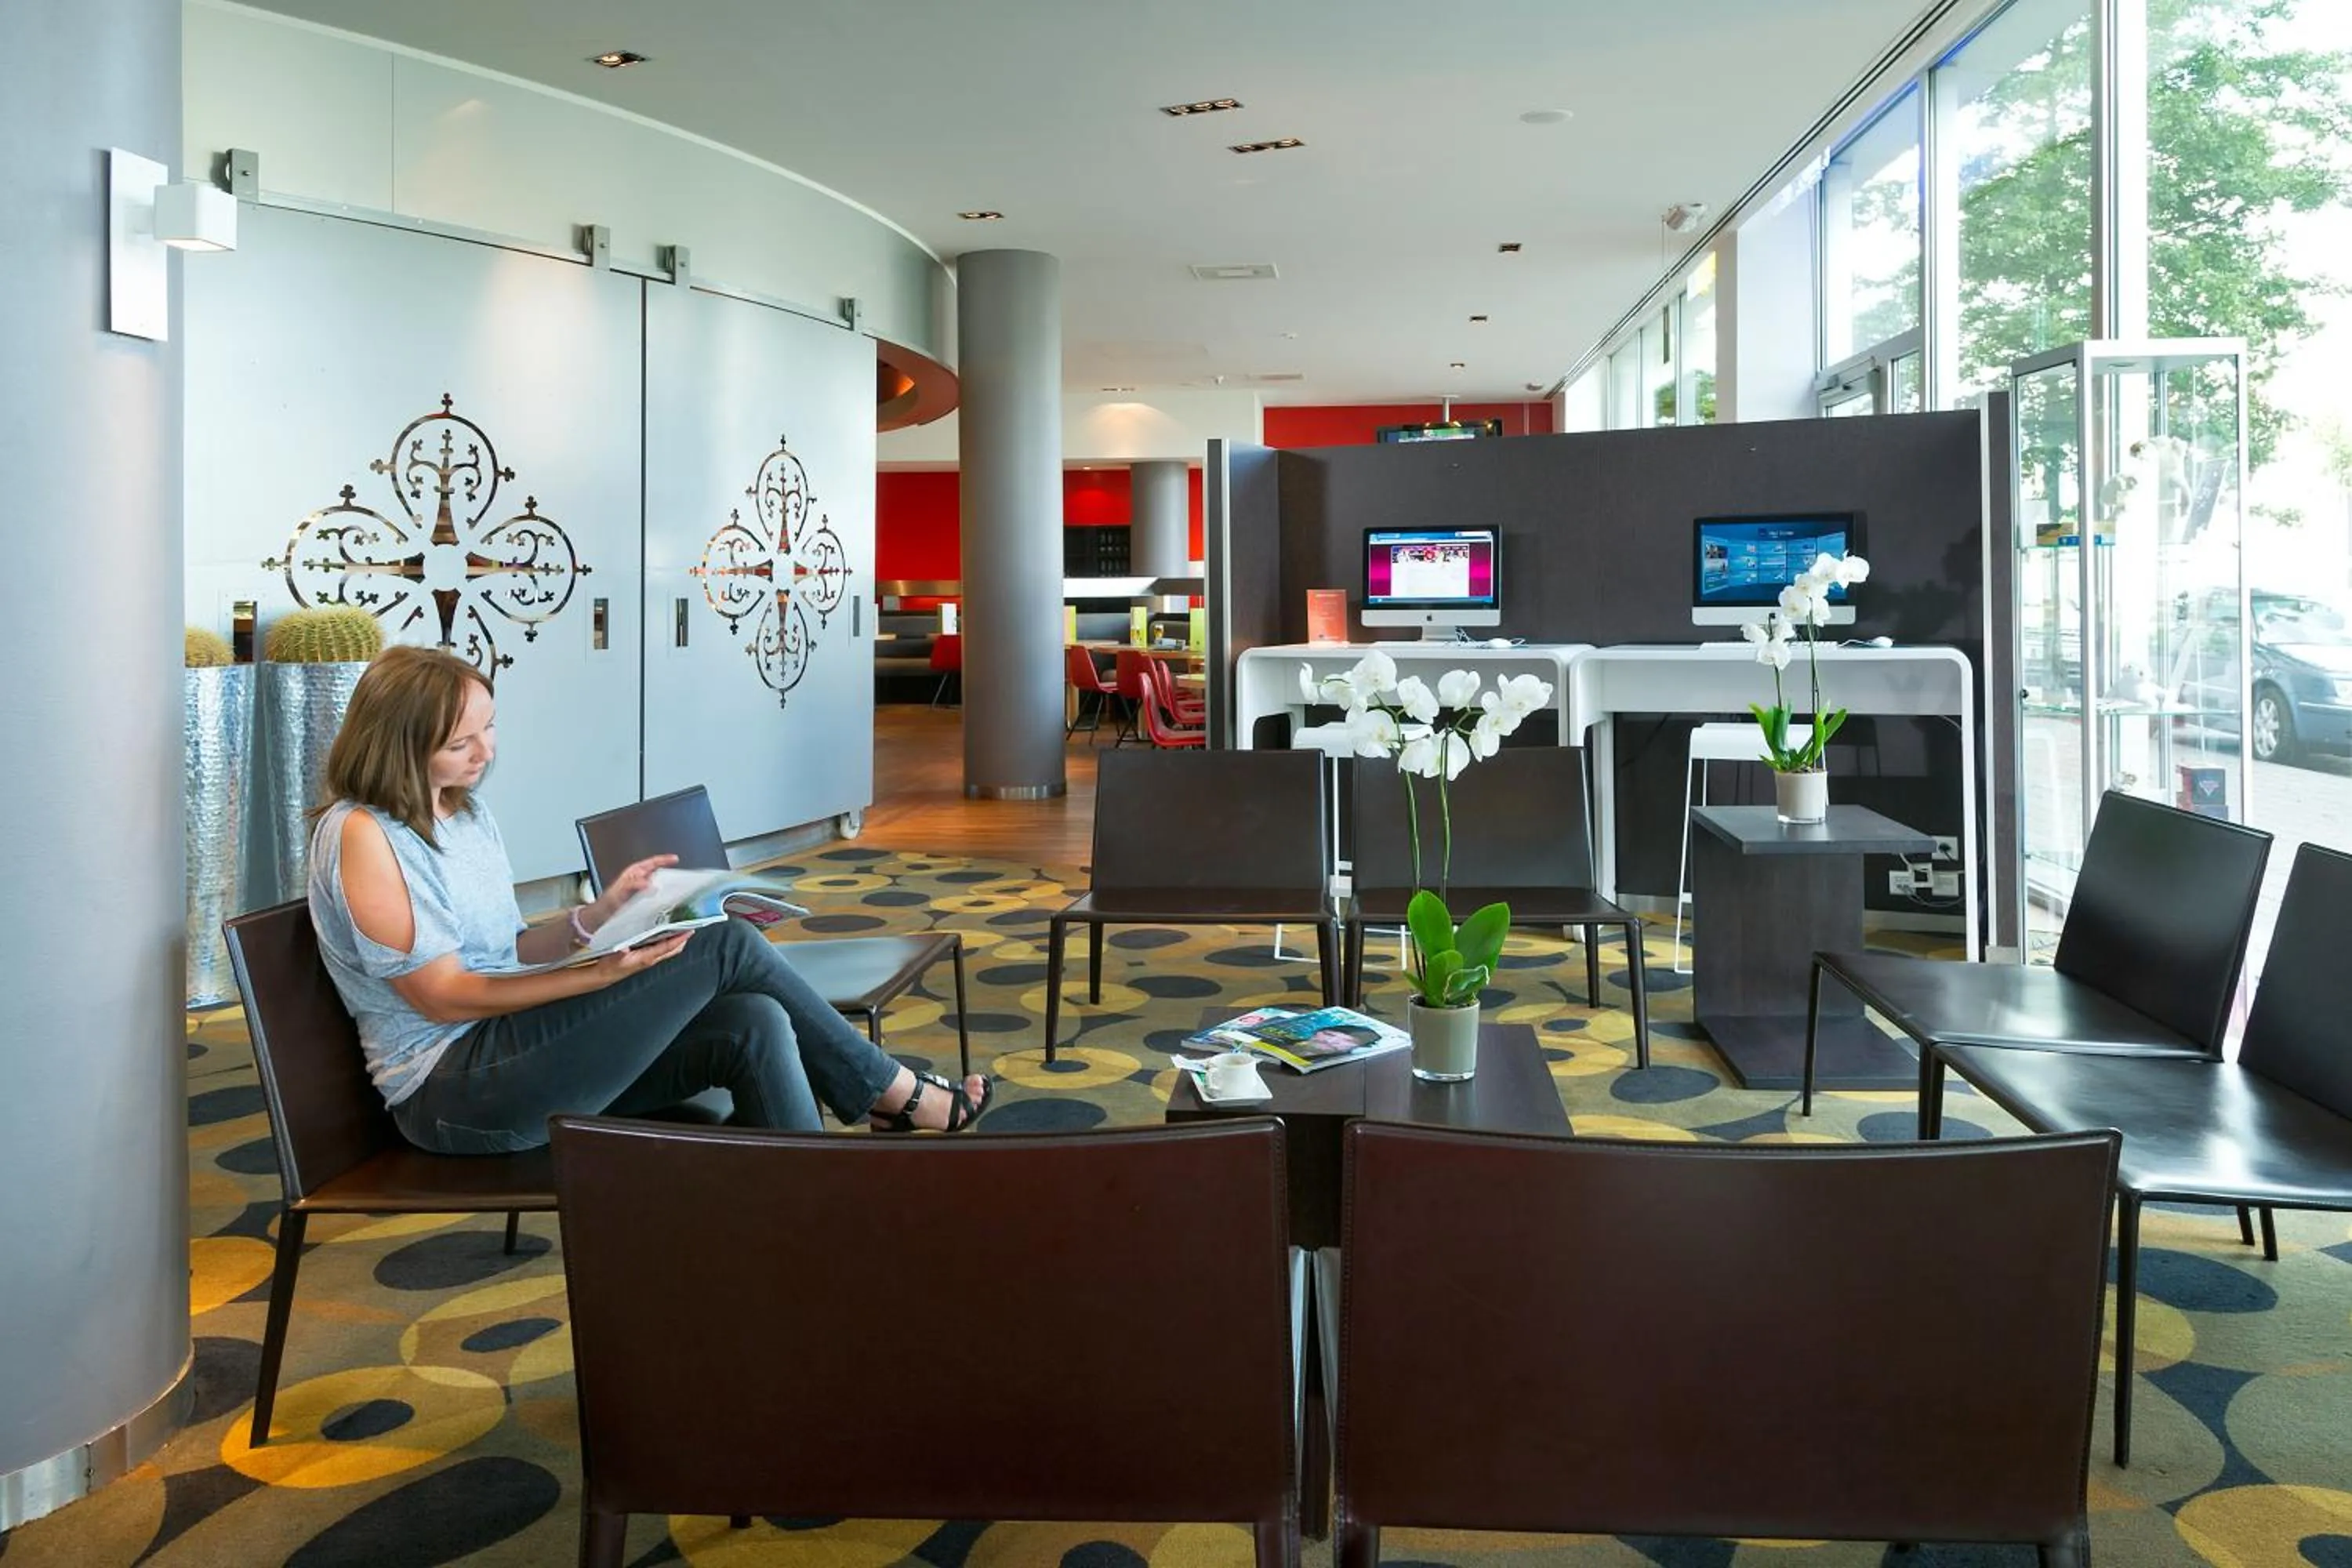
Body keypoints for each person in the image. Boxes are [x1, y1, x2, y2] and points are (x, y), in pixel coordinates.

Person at [306, 644, 992, 1154]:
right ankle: (893, 1095)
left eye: (489, 727)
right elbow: (443, 997)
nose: (485, 751)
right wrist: (596, 975)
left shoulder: (462, 812)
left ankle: (814, 1215)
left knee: (752, 1018)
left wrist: (596, 919)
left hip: (516, 1055)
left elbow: (508, 948)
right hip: (457, 1089)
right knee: (723, 944)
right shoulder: (363, 834)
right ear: (399, 743)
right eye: (461, 741)